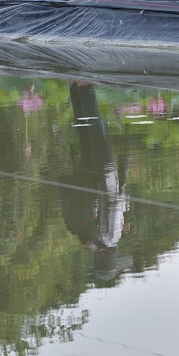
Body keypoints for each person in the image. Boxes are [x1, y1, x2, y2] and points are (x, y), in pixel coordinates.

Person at [61, 81, 132, 285]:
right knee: (84, 131)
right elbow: (95, 212)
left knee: (96, 131)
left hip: (105, 177)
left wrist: (124, 173)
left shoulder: (111, 237)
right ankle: (75, 89)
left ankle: (87, 89)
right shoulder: (88, 239)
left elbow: (115, 203)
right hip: (87, 174)